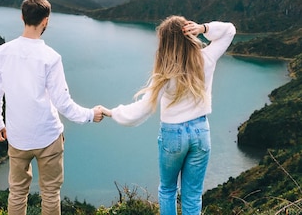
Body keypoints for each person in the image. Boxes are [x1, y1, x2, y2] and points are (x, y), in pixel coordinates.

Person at [98, 16, 236, 215]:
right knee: (193, 195)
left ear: (165, 43)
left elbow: (143, 108)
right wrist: (203, 28)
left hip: (173, 135)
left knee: (168, 189)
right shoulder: (207, 58)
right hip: (200, 131)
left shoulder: (166, 73)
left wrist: (112, 113)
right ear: (188, 34)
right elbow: (229, 30)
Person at [0, 0, 104, 215]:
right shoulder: (51, 57)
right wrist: (91, 114)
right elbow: (63, 103)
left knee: (17, 192)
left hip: (17, 137)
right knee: (50, 193)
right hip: (48, 137)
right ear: (46, 21)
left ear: (22, 17)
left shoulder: (3, 52)